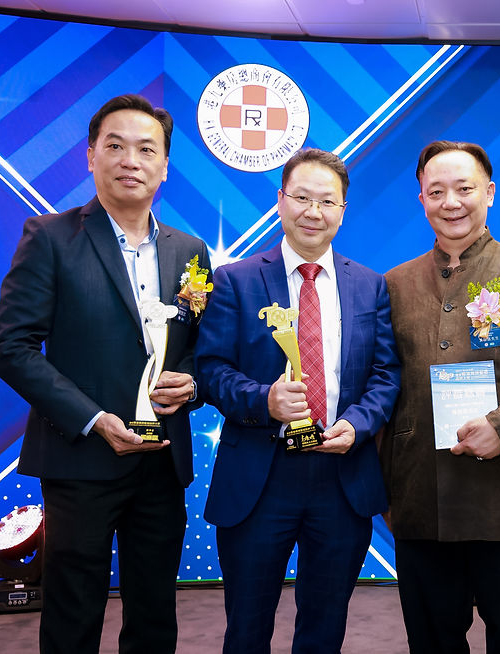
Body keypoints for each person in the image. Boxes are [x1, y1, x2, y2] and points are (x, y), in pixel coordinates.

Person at [0, 94, 209, 653]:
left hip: (161, 462)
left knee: (154, 613)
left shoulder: (190, 252)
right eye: (115, 146)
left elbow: (198, 349)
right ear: (91, 156)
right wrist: (92, 419)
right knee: (73, 614)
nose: (130, 161)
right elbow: (11, 348)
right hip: (81, 458)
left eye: (146, 150)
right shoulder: (49, 237)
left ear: (165, 166)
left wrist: (191, 383)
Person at [194, 147, 401, 654]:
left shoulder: (369, 285)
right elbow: (211, 369)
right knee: (247, 628)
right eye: (302, 197)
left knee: (325, 627)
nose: (314, 211)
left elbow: (385, 373)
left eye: (327, 201)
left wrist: (359, 424)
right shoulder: (235, 280)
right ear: (280, 200)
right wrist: (263, 399)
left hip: (341, 475)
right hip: (260, 477)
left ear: (343, 210)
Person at [379, 141, 500, 653]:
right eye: (436, 191)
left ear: (489, 192)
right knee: (431, 642)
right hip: (421, 499)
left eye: (464, 189)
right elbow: (381, 384)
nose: (451, 203)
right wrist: (385, 487)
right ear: (421, 199)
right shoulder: (395, 284)